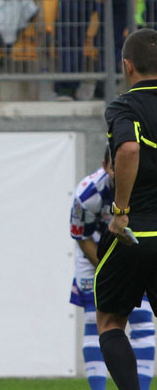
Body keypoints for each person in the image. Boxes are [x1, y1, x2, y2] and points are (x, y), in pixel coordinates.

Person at [95, 28, 157, 390]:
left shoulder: (125, 106)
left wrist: (120, 212)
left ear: (127, 66)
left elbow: (129, 149)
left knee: (110, 320)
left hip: (138, 231)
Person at [70, 147, 155, 390]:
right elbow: (82, 236)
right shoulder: (87, 194)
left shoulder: (144, 187)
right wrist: (107, 271)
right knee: (94, 319)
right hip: (94, 257)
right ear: (106, 166)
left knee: (143, 322)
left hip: (134, 255)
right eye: (114, 168)